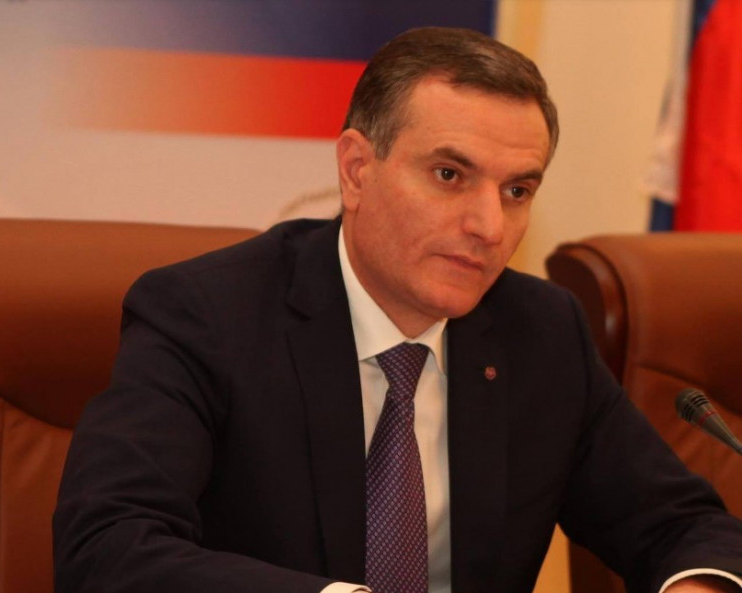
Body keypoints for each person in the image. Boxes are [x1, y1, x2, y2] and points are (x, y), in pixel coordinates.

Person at [53, 27, 742, 593]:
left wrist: (695, 585)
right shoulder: (207, 315)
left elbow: (678, 523)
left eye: (517, 190)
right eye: (450, 174)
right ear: (357, 169)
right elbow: (108, 546)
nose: (489, 226)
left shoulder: (542, 332)